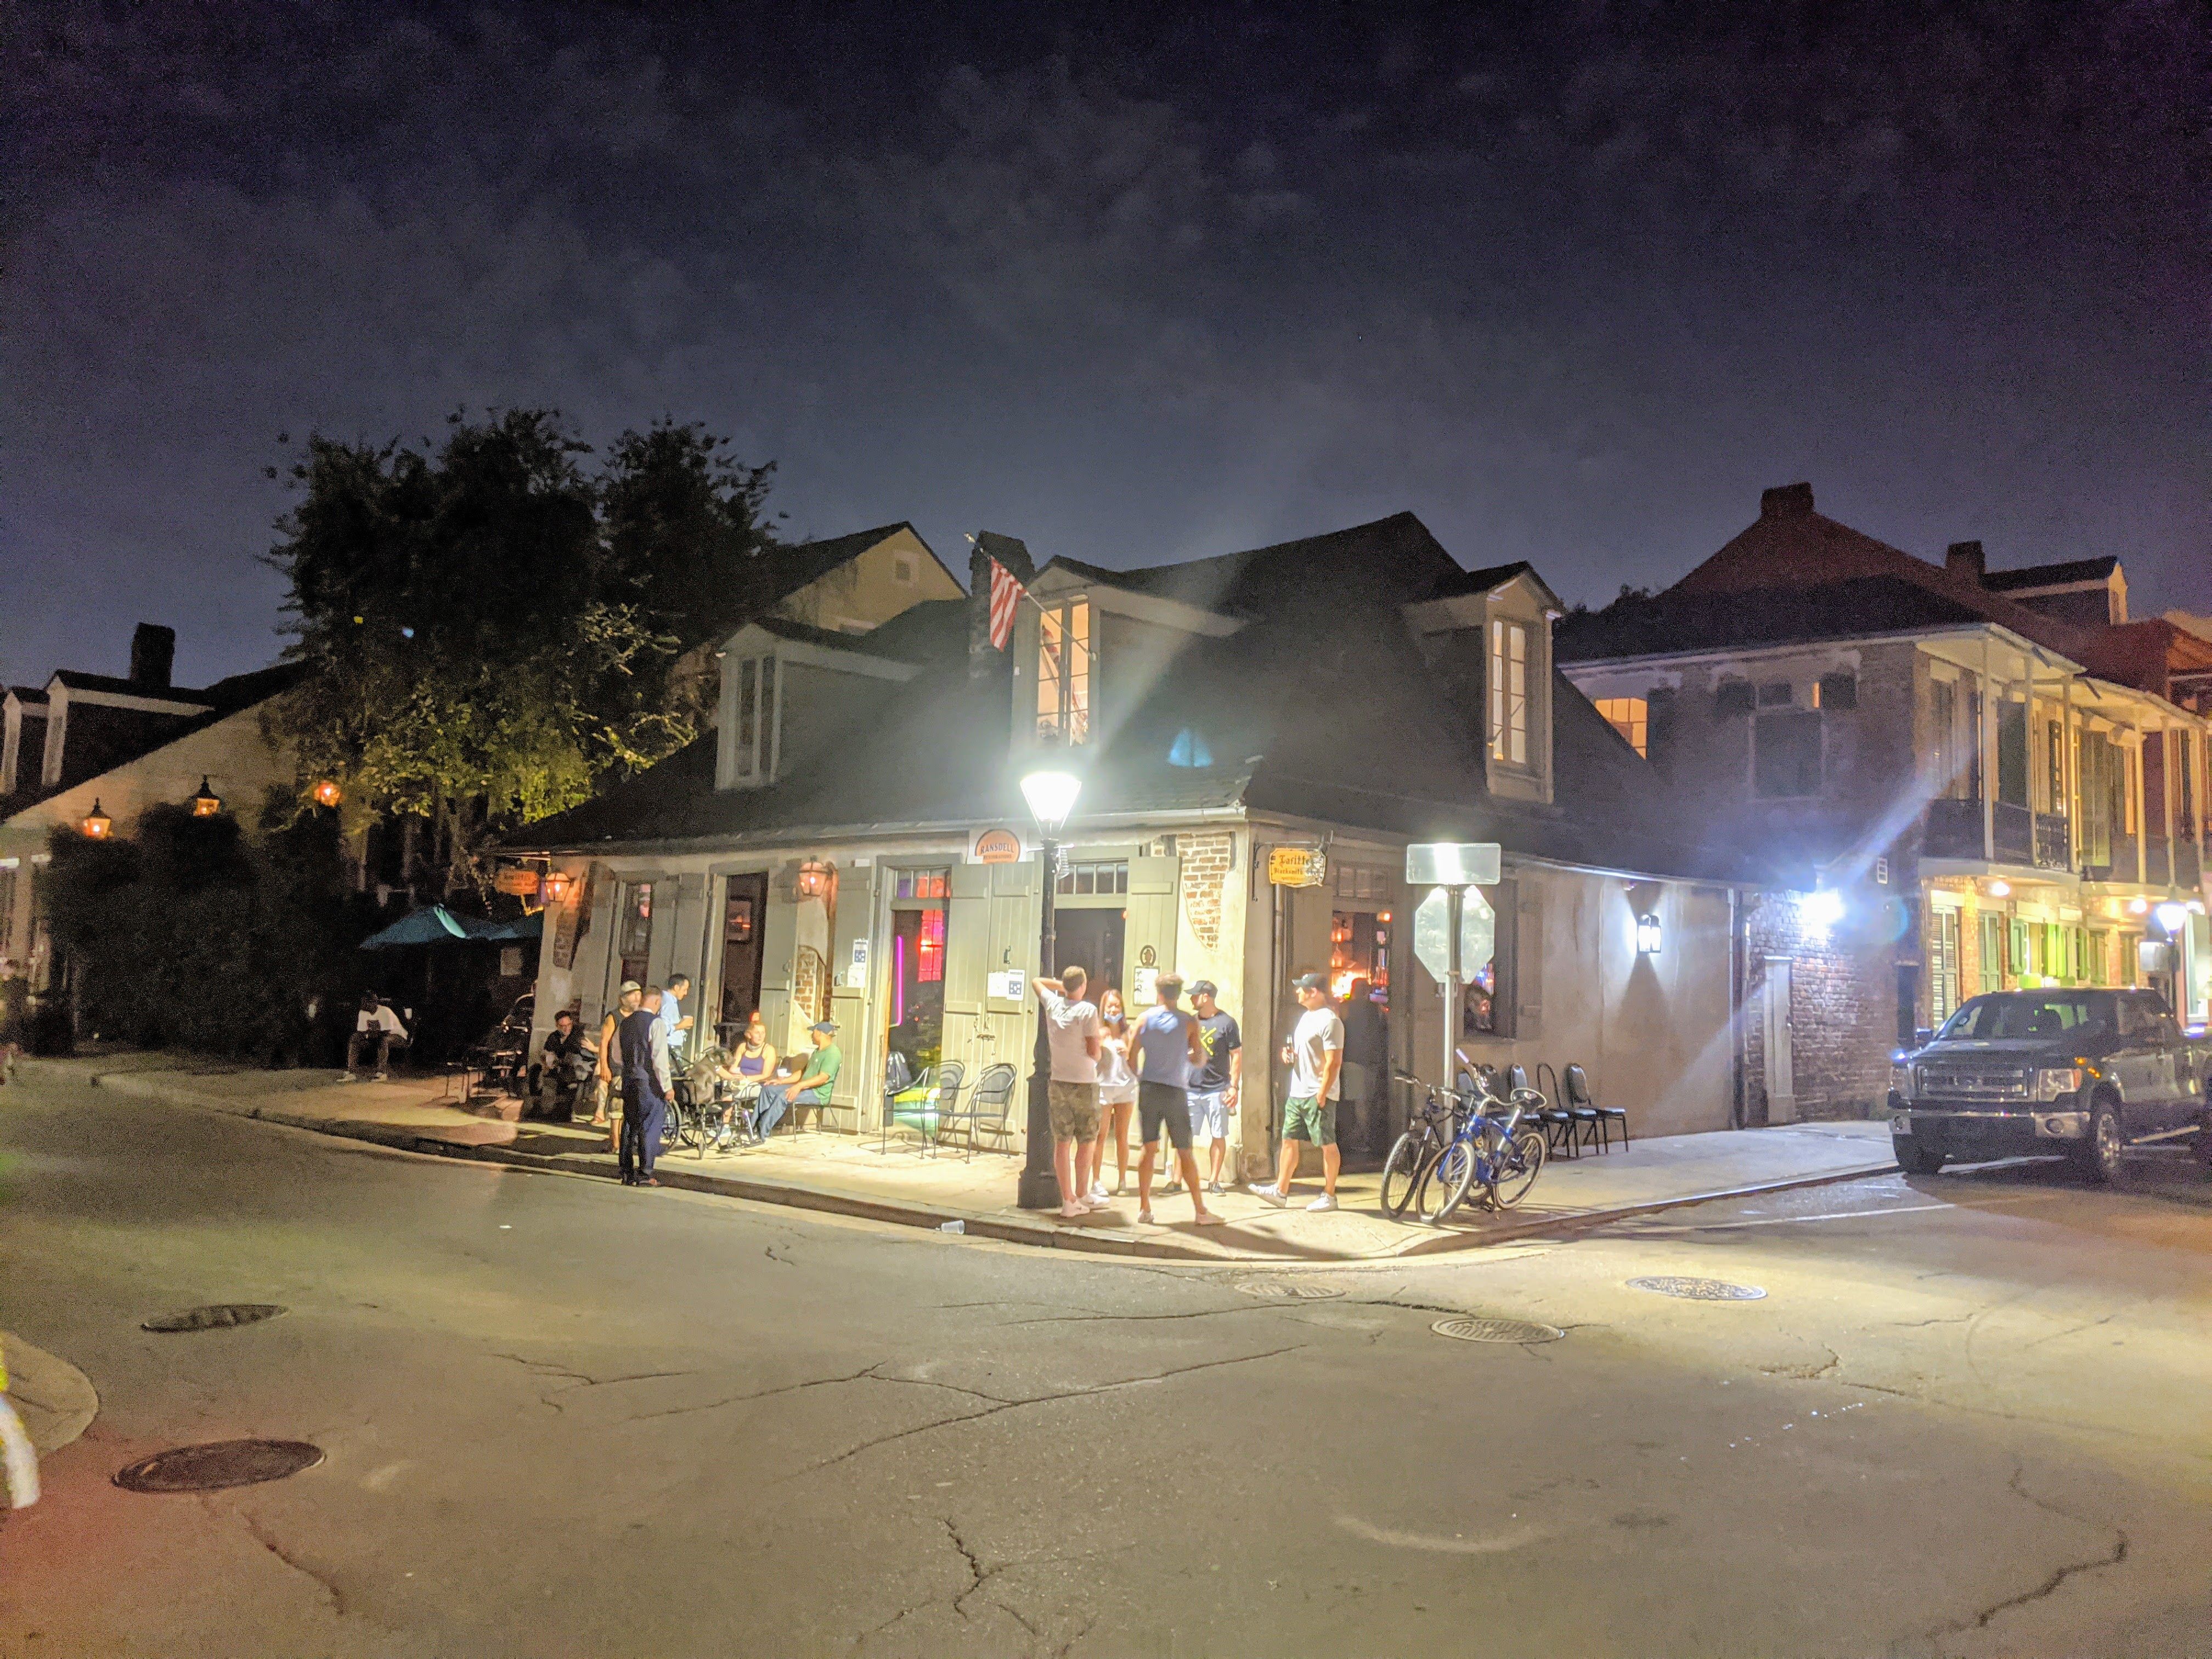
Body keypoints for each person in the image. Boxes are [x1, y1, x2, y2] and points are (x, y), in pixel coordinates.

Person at [1126, 973, 1223, 1227]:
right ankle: (1200, 1211)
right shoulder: (1189, 1022)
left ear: (1158, 993)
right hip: (1175, 1091)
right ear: (1179, 994)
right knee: (1185, 1151)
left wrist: (1141, 1078)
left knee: (1148, 1149)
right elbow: (1197, 1057)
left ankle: (1144, 1207)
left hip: (1149, 1088)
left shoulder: (1145, 1020)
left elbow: (1131, 1056)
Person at [1250, 973, 1344, 1212]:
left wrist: (1323, 1093)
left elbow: (1334, 1061)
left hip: (1317, 1092)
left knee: (1326, 1144)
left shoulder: (1330, 1021)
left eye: (1302, 989)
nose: (1297, 992)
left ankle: (1329, 1195)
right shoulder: (1305, 1017)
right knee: (1288, 1139)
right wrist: (1289, 1056)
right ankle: (1280, 1191)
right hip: (1298, 1091)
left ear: (1314, 992)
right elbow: (1305, 1052)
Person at [1032, 966, 1104, 1220]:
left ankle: (1069, 1200)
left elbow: (1036, 981)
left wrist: (1062, 986)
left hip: (1058, 1082)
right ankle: (1082, 1193)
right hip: (1084, 1082)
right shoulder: (1088, 1011)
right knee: (1087, 1139)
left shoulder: (1053, 1005)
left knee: (1062, 1142)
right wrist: (1101, 1054)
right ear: (1083, 985)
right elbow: (1094, 1050)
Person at [1187, 980, 1243, 1194]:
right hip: (1191, 1087)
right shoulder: (1191, 1022)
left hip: (1217, 1088)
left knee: (1218, 1135)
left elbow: (1236, 1055)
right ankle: (1176, 1180)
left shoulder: (1227, 1023)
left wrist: (1233, 1087)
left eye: (1195, 995)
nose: (1192, 999)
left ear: (1206, 997)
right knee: (1185, 1137)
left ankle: (1214, 1180)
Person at [613, 982, 669, 1187]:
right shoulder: (657, 1023)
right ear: (656, 1001)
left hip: (629, 1079)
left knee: (629, 1125)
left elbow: (617, 1056)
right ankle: (646, 1173)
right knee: (650, 1126)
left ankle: (626, 1172)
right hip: (648, 1082)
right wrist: (668, 1087)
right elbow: (659, 1059)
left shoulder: (624, 1023)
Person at [754, 1021, 842, 1137]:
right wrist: (781, 1081)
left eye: (813, 1032)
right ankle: (753, 1125)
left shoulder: (833, 1053)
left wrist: (799, 1086)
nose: (811, 1035)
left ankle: (762, 1132)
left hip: (817, 1094)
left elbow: (822, 1078)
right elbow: (802, 1073)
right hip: (804, 1088)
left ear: (820, 1033)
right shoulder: (817, 1052)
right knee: (769, 1089)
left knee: (784, 1097)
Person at [1092, 988, 1139, 1199]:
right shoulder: (1098, 1031)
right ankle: (1095, 1180)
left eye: (1117, 1005)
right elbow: (1091, 1058)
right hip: (1103, 1086)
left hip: (1125, 1087)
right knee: (1100, 1135)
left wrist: (1129, 1052)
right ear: (1104, 1008)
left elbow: (1134, 1062)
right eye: (1110, 1005)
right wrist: (1098, 1047)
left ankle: (1122, 1181)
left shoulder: (1128, 1032)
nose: (1113, 1009)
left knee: (1122, 1136)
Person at [709, 1009, 776, 1149]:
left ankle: (725, 1125)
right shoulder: (742, 1047)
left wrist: (746, 1078)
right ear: (749, 1034)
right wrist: (734, 1072)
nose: (761, 1036)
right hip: (739, 1080)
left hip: (757, 1084)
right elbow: (734, 1066)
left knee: (729, 1089)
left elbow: (766, 1074)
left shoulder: (768, 1050)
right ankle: (725, 1124)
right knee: (725, 1083)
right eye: (757, 1033)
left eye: (763, 1033)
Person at [1340, 975, 1386, 1148]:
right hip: (1372, 1060)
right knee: (1367, 1101)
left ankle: (1363, 1138)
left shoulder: (1345, 1008)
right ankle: (1367, 1136)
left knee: (1357, 1102)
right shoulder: (1377, 1010)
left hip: (1353, 1059)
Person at [342, 992, 408, 1081]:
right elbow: (361, 1032)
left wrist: (368, 1036)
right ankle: (352, 1072)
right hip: (376, 1037)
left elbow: (386, 1032)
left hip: (397, 1036)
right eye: (363, 1002)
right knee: (355, 1039)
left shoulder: (385, 1011)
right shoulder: (363, 1012)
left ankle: (382, 1073)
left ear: (373, 1003)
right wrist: (362, 1037)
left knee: (383, 1041)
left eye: (366, 1002)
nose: (363, 1005)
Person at [535, 1009, 586, 1115]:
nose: (567, 1028)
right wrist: (547, 1063)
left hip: (574, 1070)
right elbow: (546, 1052)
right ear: (557, 1026)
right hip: (557, 1069)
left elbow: (576, 1054)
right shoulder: (554, 1037)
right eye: (563, 1026)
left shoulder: (577, 1035)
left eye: (569, 1025)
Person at [660, 973, 695, 1061]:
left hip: (672, 1048)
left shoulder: (671, 1002)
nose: (686, 993)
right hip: (670, 1048)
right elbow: (662, 1028)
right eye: (684, 990)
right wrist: (680, 1026)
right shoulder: (668, 1003)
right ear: (676, 988)